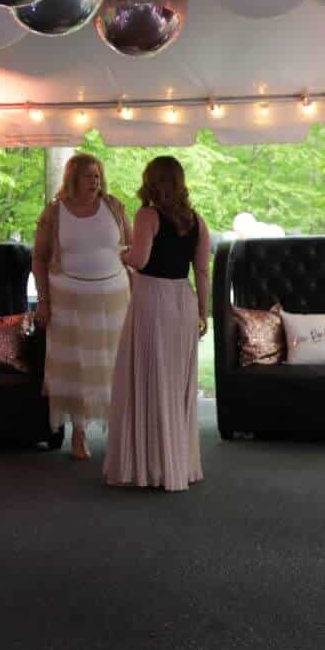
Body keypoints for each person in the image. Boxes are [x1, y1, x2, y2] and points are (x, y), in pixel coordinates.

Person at [106, 155, 210, 491]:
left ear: (150, 181)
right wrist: (203, 312)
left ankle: (148, 464)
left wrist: (122, 255)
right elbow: (203, 271)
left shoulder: (147, 215)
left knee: (149, 376)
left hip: (153, 299)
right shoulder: (197, 220)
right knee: (175, 380)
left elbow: (139, 260)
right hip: (184, 299)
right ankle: (177, 464)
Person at [33, 154, 131, 461]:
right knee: (76, 367)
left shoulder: (114, 207)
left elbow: (131, 251)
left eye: (98, 176)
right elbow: (39, 257)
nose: (95, 181)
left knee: (114, 366)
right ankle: (79, 432)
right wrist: (44, 301)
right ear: (73, 179)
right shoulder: (54, 212)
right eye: (89, 176)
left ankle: (120, 432)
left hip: (114, 299)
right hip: (68, 301)